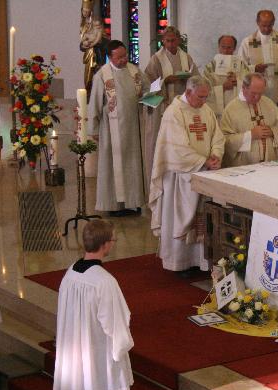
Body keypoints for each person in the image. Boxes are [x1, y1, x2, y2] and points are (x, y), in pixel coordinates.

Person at [54, 219, 134, 390]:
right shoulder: (104, 281)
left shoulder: (70, 273)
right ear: (106, 244)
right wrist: (121, 351)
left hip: (76, 355)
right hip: (97, 360)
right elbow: (116, 324)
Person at [149, 76, 224, 272]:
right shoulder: (173, 113)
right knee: (179, 218)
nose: (204, 101)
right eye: (200, 97)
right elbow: (177, 148)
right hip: (180, 177)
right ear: (188, 92)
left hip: (204, 173)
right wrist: (203, 161)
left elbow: (217, 136)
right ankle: (179, 262)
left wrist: (216, 155)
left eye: (206, 97)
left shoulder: (206, 110)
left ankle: (201, 262)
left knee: (203, 217)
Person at [88, 40, 149, 216]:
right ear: (110, 57)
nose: (124, 59)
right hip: (111, 129)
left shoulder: (134, 71)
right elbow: (94, 104)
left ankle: (134, 202)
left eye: (125, 55)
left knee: (133, 166)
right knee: (113, 167)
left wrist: (149, 96)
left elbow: (147, 88)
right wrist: (93, 129)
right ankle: (114, 205)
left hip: (134, 128)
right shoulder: (102, 75)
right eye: (119, 57)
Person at [143, 26, 200, 198]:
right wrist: (166, 81)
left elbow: (196, 78)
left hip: (184, 108)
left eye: (173, 40)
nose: (170, 44)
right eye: (167, 41)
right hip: (165, 107)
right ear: (163, 41)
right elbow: (148, 84)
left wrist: (188, 78)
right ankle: (162, 186)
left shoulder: (186, 57)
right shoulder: (156, 59)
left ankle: (181, 183)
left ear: (179, 40)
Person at [221, 73, 278, 165]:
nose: (257, 97)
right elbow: (224, 140)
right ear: (244, 87)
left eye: (260, 93)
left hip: (270, 164)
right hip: (244, 166)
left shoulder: (268, 103)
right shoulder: (231, 109)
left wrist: (272, 131)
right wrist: (250, 135)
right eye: (253, 93)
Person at [238, 9, 278, 111]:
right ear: (257, 22)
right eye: (263, 25)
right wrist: (254, 68)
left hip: (276, 87)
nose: (267, 29)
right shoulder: (248, 42)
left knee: (277, 115)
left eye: (270, 25)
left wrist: (274, 71)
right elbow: (240, 66)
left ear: (274, 22)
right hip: (257, 88)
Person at [202, 35, 250, 120]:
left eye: (229, 47)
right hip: (217, 112)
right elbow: (204, 90)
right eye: (223, 47)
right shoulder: (210, 67)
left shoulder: (242, 66)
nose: (225, 51)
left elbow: (249, 85)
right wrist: (223, 87)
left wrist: (238, 82)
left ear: (234, 48)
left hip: (237, 110)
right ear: (218, 47)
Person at [80, 0, 109, 93]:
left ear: (91, 11)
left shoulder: (97, 23)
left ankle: (96, 96)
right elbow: (81, 45)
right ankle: (88, 95)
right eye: (84, 11)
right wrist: (83, 45)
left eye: (87, 11)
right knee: (88, 79)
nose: (85, 13)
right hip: (89, 56)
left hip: (99, 56)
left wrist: (95, 43)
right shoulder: (83, 26)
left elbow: (106, 42)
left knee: (98, 78)